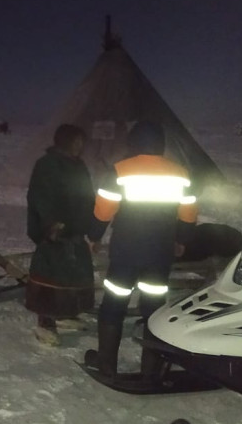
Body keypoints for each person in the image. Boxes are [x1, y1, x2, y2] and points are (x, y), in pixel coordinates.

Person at [85, 120, 198, 379]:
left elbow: (102, 211)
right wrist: (182, 240)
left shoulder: (120, 171)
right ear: (161, 145)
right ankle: (151, 371)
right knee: (154, 309)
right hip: (160, 253)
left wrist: (94, 237)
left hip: (126, 250)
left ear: (134, 143)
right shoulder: (181, 173)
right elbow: (189, 215)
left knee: (114, 305)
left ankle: (106, 366)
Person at [25, 124, 96, 345]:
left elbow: (87, 196)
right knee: (50, 275)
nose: (79, 146)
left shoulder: (78, 165)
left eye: (81, 142)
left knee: (75, 273)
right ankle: (45, 322)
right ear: (63, 141)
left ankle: (67, 313)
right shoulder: (47, 165)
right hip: (54, 231)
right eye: (75, 141)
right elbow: (41, 195)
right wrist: (50, 223)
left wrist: (93, 227)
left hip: (76, 228)